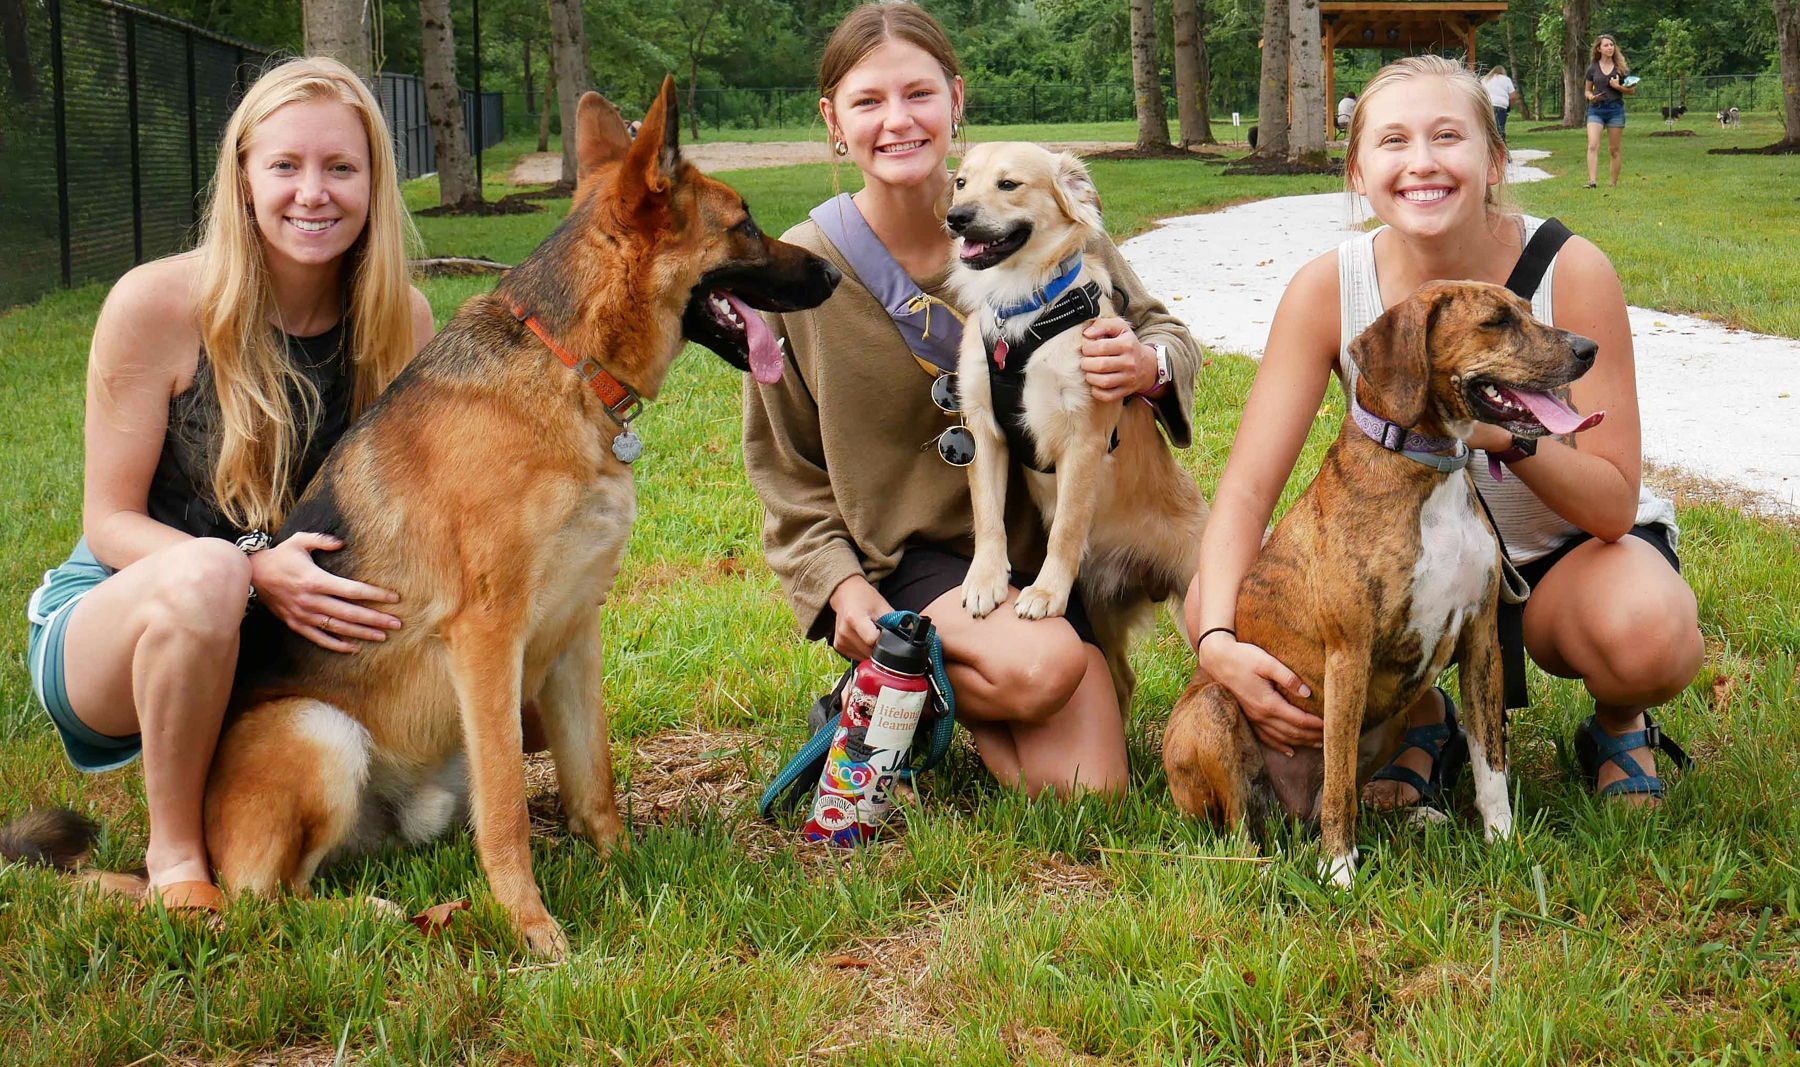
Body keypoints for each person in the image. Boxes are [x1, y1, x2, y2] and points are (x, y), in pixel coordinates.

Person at [1184, 55, 1701, 810]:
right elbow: (1247, 490)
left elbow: (1614, 504)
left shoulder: (1571, 268)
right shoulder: (1331, 288)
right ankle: (1422, 717)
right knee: (1212, 592)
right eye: (1392, 141)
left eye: (1448, 136)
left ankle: (1619, 724)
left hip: (1559, 568)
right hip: (1403, 576)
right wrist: (1219, 645)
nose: (1421, 162)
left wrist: (1493, 430)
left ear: (1494, 159)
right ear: (1357, 171)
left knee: (1648, 631)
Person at [743, 2, 1202, 798]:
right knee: (1044, 669)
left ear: (955, 100)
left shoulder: (1049, 223)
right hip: (917, 562)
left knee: (1091, 790)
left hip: (1053, 547)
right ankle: (892, 674)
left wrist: (1145, 362)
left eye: (919, 95)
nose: (898, 122)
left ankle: (933, 688)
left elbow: (1164, 329)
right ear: (832, 121)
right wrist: (839, 589)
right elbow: (785, 472)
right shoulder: (803, 272)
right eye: (868, 102)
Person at [23, 56, 435, 908]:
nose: (312, 192)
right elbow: (108, 522)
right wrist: (254, 564)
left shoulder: (404, 320)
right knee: (211, 574)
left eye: (340, 167)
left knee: (519, 702)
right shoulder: (157, 303)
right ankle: (177, 866)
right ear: (243, 176)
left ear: (374, 182)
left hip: (275, 642)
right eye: (285, 165)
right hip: (123, 616)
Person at [1584, 34, 1634, 188]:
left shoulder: (1621, 69)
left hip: (1615, 110)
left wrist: (1618, 87)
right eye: (1606, 45)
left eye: (1611, 45)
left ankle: (1613, 184)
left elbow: (1631, 91)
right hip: (1596, 110)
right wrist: (1591, 96)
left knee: (1614, 150)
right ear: (1599, 48)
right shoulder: (1592, 68)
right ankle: (1592, 181)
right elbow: (1586, 91)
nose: (1609, 48)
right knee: (1593, 145)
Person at [1483, 65, 1520, 142]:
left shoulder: (1485, 79)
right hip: (1500, 105)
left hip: (1487, 104)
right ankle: (1500, 143)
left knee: (1487, 127)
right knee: (1500, 127)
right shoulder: (1506, 80)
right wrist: (1509, 107)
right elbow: (1512, 96)